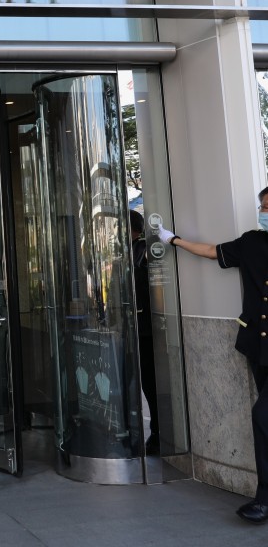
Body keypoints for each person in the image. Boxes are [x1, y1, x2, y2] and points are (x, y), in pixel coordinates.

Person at [157, 187, 268, 523]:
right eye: (263, 205)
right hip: (258, 345)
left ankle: (264, 499)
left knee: (263, 418)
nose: (264, 210)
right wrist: (173, 240)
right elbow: (210, 251)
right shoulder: (252, 242)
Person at [130, 209, 159, 455]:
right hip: (136, 328)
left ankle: (158, 435)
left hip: (148, 329)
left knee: (151, 383)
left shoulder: (141, 249)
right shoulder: (128, 250)